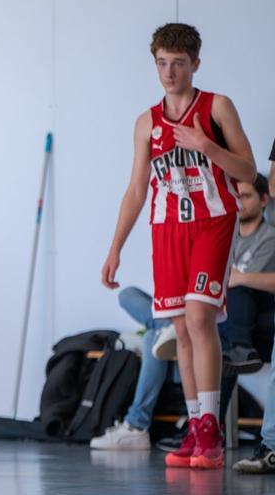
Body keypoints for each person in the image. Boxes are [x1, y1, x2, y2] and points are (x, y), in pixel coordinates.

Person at [101, 23, 257, 469]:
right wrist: (115, 248)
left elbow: (247, 171)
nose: (169, 72)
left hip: (212, 222)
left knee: (198, 316)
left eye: (179, 64)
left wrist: (206, 145)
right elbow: (136, 190)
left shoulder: (217, 107)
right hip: (166, 228)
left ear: (195, 65)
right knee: (180, 329)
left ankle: (211, 429)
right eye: (162, 63)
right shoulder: (146, 122)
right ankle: (195, 426)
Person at [94, 177, 275, 450]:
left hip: (230, 314)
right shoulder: (222, 229)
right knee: (128, 295)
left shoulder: (267, 237)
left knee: (157, 337)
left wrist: (237, 278)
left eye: (247, 196)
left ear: (263, 200)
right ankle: (168, 323)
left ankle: (140, 423)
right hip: (200, 307)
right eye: (238, 196)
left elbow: (235, 283)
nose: (240, 203)